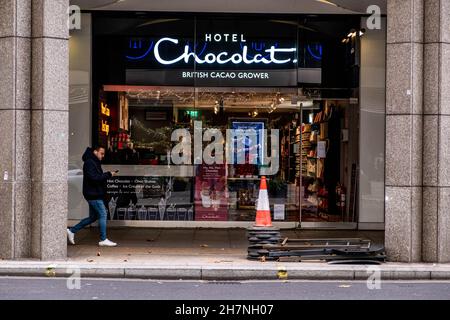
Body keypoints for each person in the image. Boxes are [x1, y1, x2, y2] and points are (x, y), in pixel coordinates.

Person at [67, 146, 119, 247]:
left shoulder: (93, 162)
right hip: (93, 194)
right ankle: (103, 239)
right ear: (95, 152)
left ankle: (72, 231)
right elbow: (94, 178)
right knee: (103, 214)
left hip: (94, 193)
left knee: (93, 217)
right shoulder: (90, 162)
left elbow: (95, 177)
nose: (103, 156)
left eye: (104, 154)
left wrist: (108, 174)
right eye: (101, 153)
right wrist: (108, 174)